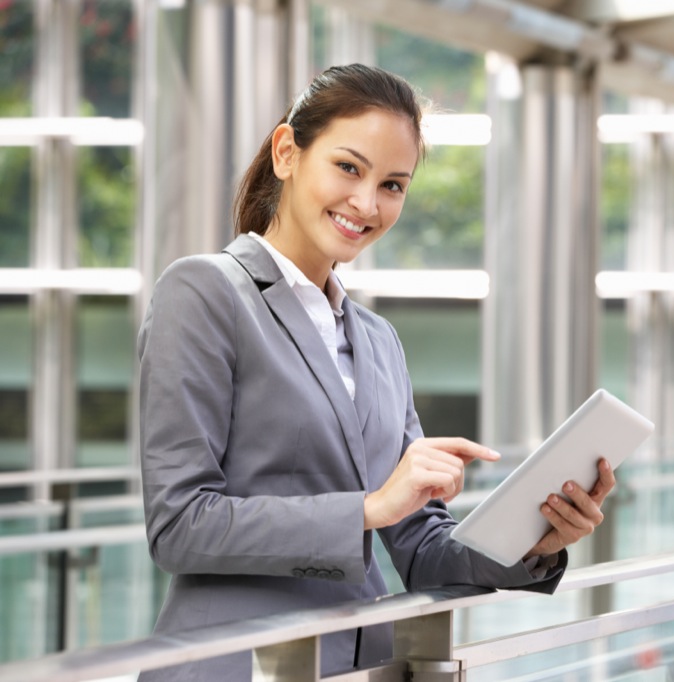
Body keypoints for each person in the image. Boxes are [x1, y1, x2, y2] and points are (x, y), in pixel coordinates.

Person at [137, 63, 615, 680]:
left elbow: (419, 549)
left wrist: (532, 542)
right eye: (348, 168)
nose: (366, 203)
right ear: (288, 152)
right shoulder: (205, 292)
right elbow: (179, 525)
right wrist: (368, 507)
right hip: (236, 666)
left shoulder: (378, 341)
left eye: (393, 185)